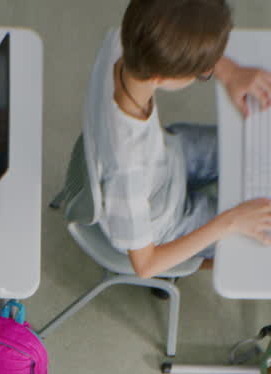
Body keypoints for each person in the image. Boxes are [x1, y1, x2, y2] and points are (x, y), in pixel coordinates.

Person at [86, 0, 271, 278]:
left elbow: (169, 33)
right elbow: (146, 265)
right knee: (259, 235)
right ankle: (212, 258)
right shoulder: (126, 167)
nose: (208, 72)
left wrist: (228, 70)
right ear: (161, 77)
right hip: (164, 225)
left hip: (167, 157)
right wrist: (230, 222)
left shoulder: (125, 40)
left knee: (256, 145)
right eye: (202, 73)